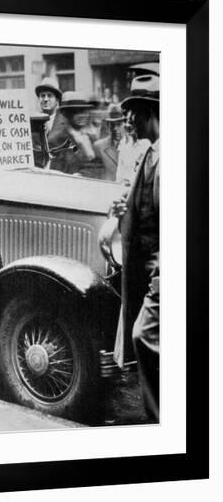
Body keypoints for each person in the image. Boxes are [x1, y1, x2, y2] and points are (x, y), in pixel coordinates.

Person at [111, 74, 160, 421]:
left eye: (134, 112)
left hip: (161, 268)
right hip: (146, 263)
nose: (128, 120)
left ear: (150, 113)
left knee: (145, 336)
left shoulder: (163, 159)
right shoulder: (151, 152)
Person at [49, 91, 96, 175]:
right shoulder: (57, 140)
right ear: (67, 113)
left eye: (84, 111)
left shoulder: (91, 137)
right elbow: (56, 174)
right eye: (76, 111)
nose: (82, 115)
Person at [91, 104, 127, 181]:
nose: (115, 129)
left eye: (119, 124)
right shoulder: (98, 146)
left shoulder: (134, 146)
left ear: (125, 125)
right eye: (112, 125)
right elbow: (93, 174)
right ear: (108, 125)